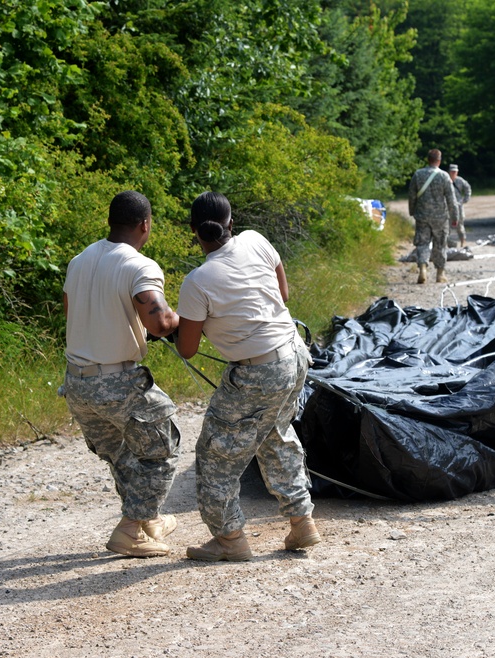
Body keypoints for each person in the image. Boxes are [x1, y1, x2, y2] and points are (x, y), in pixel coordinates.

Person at [176, 192, 319, 562]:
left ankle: (230, 540)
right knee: (275, 434)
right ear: (231, 222)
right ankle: (302, 522)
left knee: (214, 455)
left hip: (258, 371)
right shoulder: (257, 240)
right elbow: (281, 295)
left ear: (194, 232)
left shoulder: (196, 282)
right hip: (294, 354)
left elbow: (187, 348)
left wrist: (194, 324)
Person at [62, 190, 182, 557]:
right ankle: (130, 529)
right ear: (145, 225)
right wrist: (187, 321)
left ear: (111, 221)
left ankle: (148, 522)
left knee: (124, 455)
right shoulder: (140, 266)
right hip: (117, 381)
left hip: (77, 382)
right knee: (163, 447)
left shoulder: (79, 260)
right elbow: (161, 322)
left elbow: (71, 311)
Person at [408, 149, 460, 284]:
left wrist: (412, 211)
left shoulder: (418, 175)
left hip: (422, 216)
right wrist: (455, 217)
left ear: (428, 159)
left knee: (422, 243)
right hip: (440, 217)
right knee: (440, 244)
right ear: (439, 160)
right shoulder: (444, 176)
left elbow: (412, 196)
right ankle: (440, 274)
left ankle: (423, 269)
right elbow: (451, 199)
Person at [447, 163, 472, 249]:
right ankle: (449, 243)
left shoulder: (460, 181)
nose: (453, 173)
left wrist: (465, 199)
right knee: (447, 226)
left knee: (460, 225)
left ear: (457, 172)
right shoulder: (445, 180)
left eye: (455, 172)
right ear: (449, 172)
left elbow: (468, 188)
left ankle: (463, 241)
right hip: (448, 207)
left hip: (458, 206)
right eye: (452, 172)